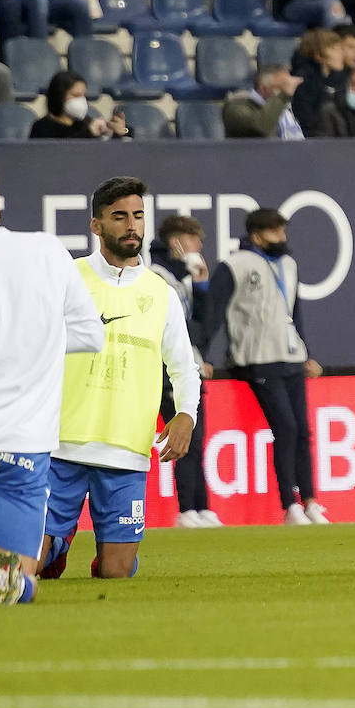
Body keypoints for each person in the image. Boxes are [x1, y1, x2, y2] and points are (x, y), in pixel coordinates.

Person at [37, 177, 201, 581]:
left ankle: (96, 553)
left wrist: (186, 415)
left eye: (138, 216)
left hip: (125, 455)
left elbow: (183, 365)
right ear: (97, 226)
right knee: (28, 566)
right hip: (60, 449)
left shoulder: (160, 292)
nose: (132, 225)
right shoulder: (67, 278)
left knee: (116, 573)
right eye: (120, 216)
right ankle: (55, 548)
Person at [0, 158, 103, 605]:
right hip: (17, 439)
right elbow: (91, 335)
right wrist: (33, 338)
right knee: (13, 564)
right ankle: (12, 579)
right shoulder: (46, 251)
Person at [206, 209, 331, 526]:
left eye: (283, 232)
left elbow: (295, 311)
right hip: (257, 357)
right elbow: (213, 312)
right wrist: (203, 352)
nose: (282, 239)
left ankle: (311, 502)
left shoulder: (288, 264)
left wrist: (306, 352)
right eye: (276, 233)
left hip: (291, 355)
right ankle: (289, 506)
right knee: (286, 428)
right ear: (258, 235)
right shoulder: (234, 265)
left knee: (303, 430)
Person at [149, 216, 221, 529]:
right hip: (167, 371)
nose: (200, 247)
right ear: (177, 242)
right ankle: (186, 509)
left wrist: (203, 285)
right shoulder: (156, 276)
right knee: (183, 438)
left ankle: (201, 507)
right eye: (194, 240)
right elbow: (173, 330)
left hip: (186, 368)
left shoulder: (180, 279)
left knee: (196, 438)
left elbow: (201, 330)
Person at [30, 71, 130, 140]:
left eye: (83, 95)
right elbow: (64, 153)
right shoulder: (42, 128)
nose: (81, 100)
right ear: (58, 96)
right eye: (75, 95)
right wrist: (89, 133)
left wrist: (120, 131)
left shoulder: (85, 123)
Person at [290, 28, 350, 135]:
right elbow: (305, 121)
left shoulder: (341, 78)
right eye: (334, 49)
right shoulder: (303, 82)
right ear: (319, 56)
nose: (342, 54)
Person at [223, 64, 305, 140]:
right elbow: (262, 126)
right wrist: (283, 96)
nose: (289, 90)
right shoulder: (236, 107)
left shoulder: (283, 107)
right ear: (263, 89)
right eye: (283, 86)